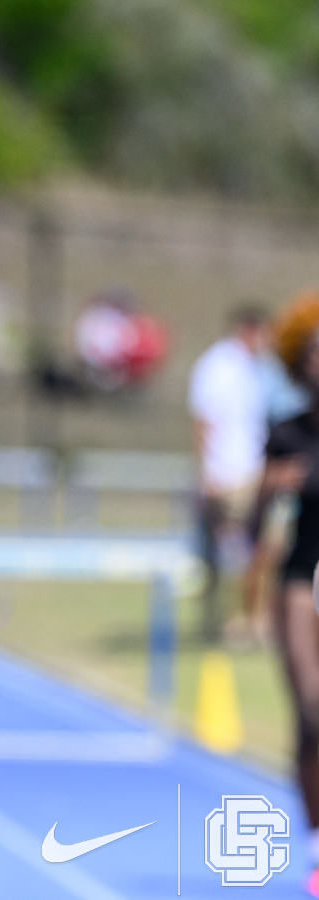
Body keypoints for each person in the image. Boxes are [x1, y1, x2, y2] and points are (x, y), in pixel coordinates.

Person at [252, 292, 319, 896]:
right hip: (301, 580)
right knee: (313, 710)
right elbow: (258, 530)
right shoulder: (286, 433)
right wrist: (273, 491)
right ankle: (317, 844)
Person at [189, 305, 270, 643]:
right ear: (248, 330)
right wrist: (208, 470)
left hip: (252, 470)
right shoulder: (218, 366)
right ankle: (228, 621)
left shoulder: (254, 369)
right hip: (228, 473)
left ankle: (250, 619)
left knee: (256, 551)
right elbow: (203, 420)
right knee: (231, 552)